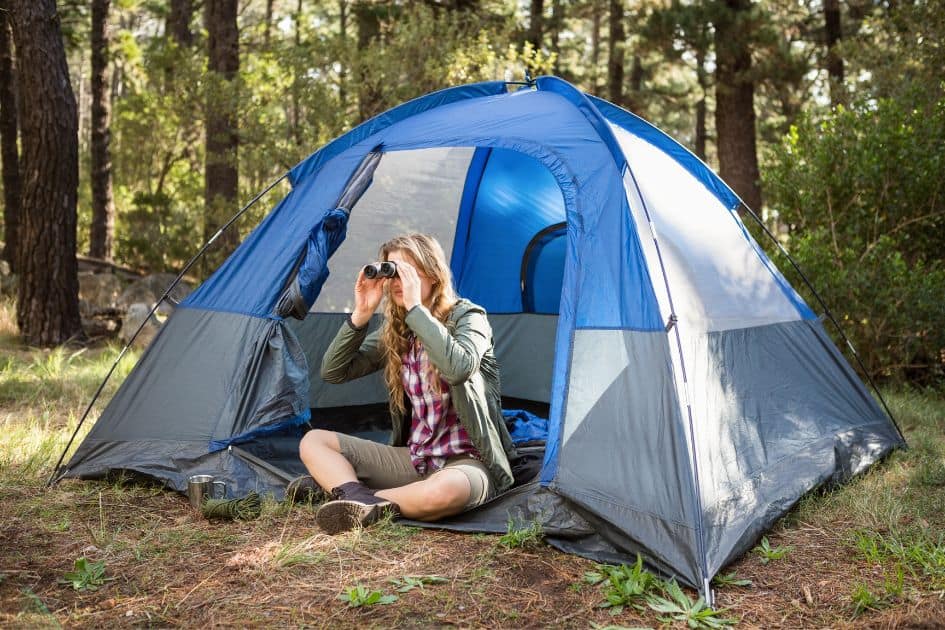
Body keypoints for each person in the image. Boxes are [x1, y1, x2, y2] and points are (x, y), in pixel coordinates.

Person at [295, 233, 517, 534]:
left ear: (433, 274)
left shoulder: (469, 317)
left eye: (405, 272)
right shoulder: (397, 332)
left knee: (442, 493)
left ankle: (346, 495)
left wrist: (416, 310)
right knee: (313, 441)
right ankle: (356, 499)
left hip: (467, 462)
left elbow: (458, 369)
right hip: (416, 460)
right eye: (389, 271)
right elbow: (333, 372)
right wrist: (361, 314)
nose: (396, 281)